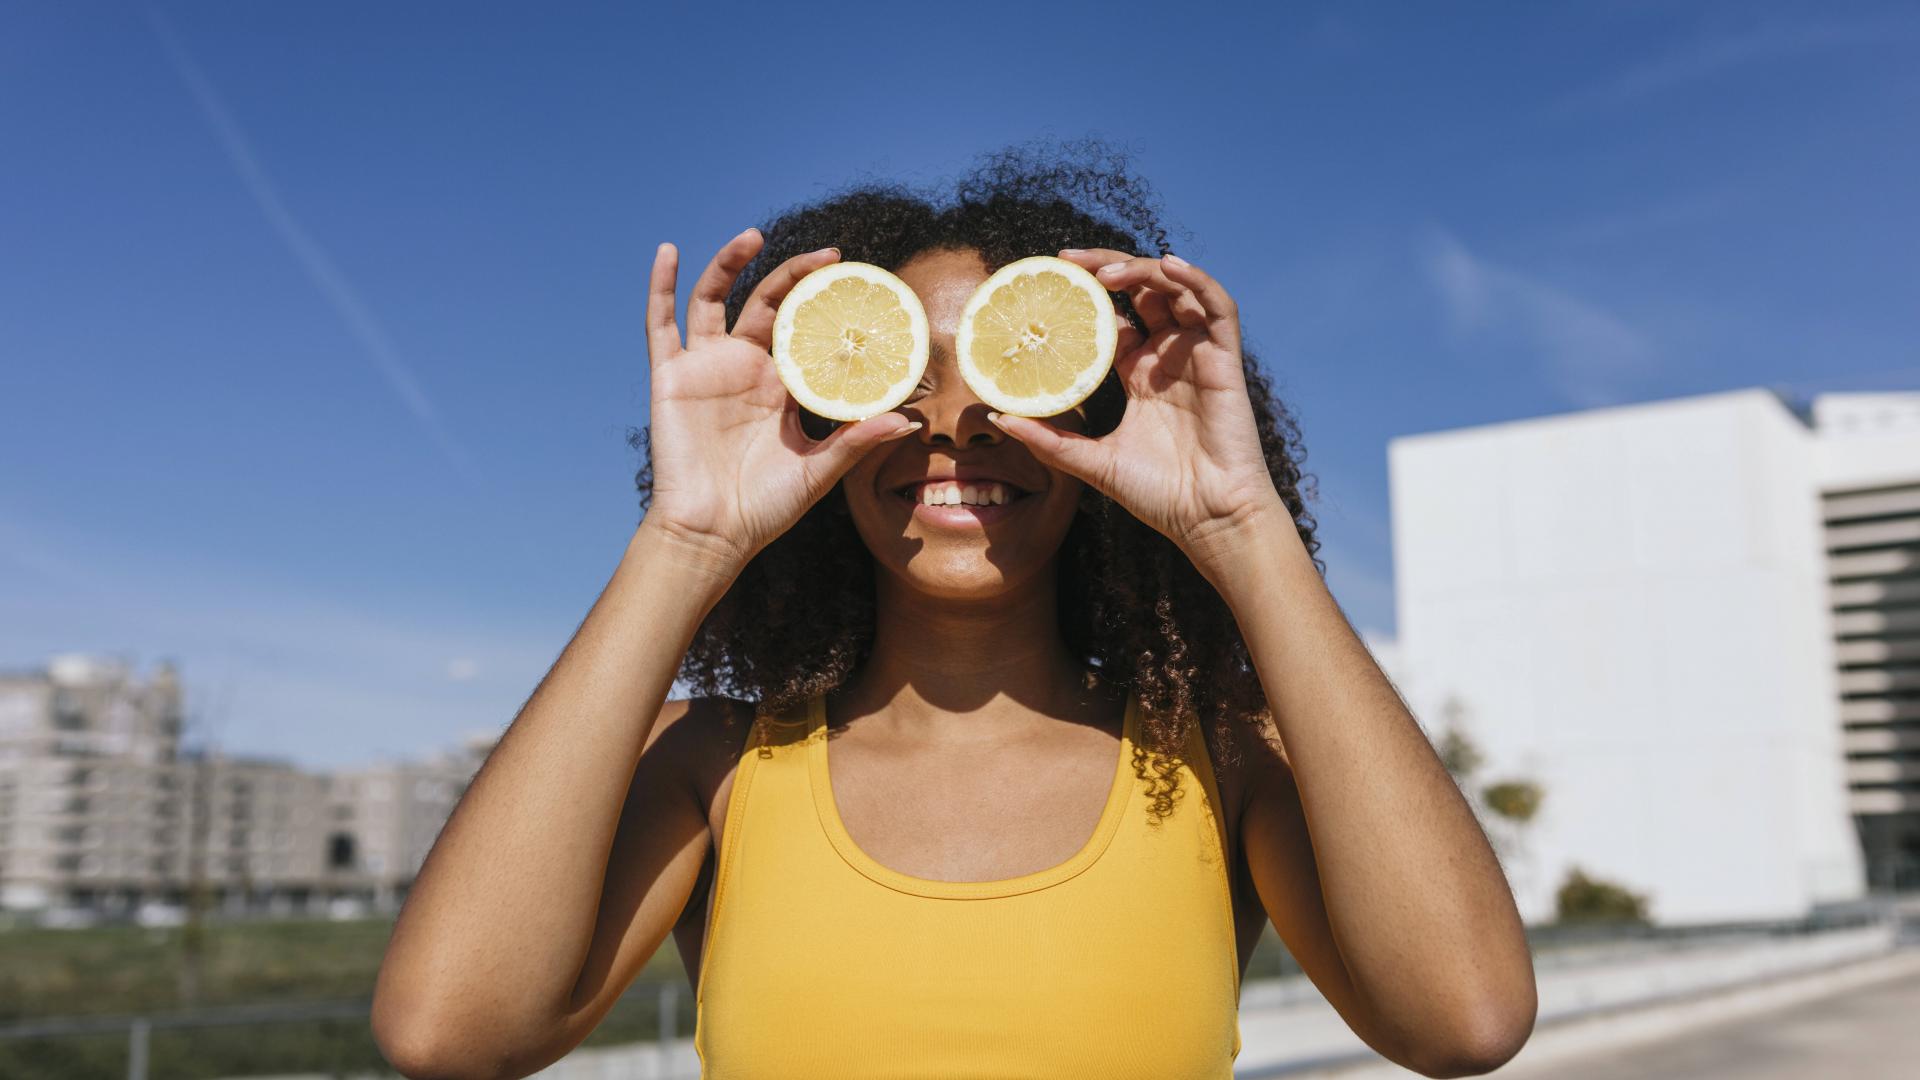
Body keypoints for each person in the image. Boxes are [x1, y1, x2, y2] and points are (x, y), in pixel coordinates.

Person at [370, 144, 1537, 1079]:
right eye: (899, 375)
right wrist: (687, 540)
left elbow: (1465, 1023)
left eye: (1012, 372)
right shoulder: (715, 761)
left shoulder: (1219, 754)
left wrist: (1241, 525)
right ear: (824, 417)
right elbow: (448, 1037)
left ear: (1091, 417)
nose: (953, 421)